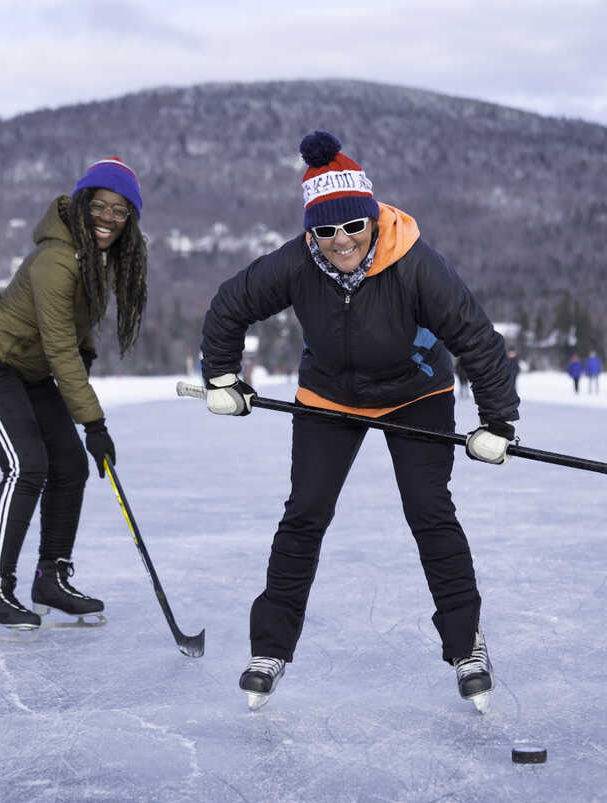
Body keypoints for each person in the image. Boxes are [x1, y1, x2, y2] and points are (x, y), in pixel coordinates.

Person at [199, 131, 518, 712]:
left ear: (372, 218)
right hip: (329, 394)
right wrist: (221, 376)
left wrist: (498, 421)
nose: (341, 240)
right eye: (325, 229)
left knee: (429, 511)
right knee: (305, 514)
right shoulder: (297, 262)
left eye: (353, 225)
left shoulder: (417, 265)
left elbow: (478, 339)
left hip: (415, 393)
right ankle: (270, 648)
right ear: (310, 230)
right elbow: (230, 304)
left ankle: (465, 643)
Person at [0, 157, 148, 633]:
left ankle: (50, 580)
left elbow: (76, 332)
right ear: (82, 206)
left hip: (30, 370)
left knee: (70, 467)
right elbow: (60, 346)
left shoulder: (100, 258)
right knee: (25, 465)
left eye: (120, 211)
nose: (108, 218)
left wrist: (86, 364)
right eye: (99, 205)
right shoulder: (58, 259)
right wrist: (93, 424)